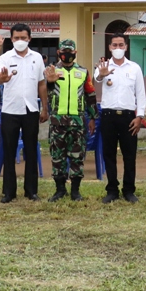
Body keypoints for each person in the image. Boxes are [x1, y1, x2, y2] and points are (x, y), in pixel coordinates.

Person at [0, 23, 48, 202]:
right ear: (11, 39)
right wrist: (2, 79)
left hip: (31, 109)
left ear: (29, 39)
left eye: (23, 38)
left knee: (31, 150)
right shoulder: (5, 58)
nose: (20, 41)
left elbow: (41, 84)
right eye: (16, 38)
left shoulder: (37, 58)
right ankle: (9, 192)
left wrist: (45, 108)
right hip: (10, 110)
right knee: (9, 151)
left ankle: (31, 190)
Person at [93, 33, 146, 203]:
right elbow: (96, 79)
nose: (118, 48)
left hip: (128, 117)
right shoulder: (103, 66)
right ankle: (112, 190)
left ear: (126, 47)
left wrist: (139, 116)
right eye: (114, 45)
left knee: (129, 155)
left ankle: (129, 190)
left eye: (121, 45)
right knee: (109, 155)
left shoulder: (134, 68)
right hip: (108, 116)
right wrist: (102, 75)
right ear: (110, 47)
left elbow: (141, 94)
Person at [45, 39, 98, 202]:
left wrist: (93, 118)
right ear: (58, 53)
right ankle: (60, 190)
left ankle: (75, 191)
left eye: (70, 51)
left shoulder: (83, 71)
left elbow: (90, 95)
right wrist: (50, 82)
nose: (67, 54)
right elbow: (45, 92)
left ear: (75, 53)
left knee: (77, 157)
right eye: (64, 51)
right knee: (57, 157)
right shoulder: (51, 71)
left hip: (78, 122)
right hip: (57, 122)